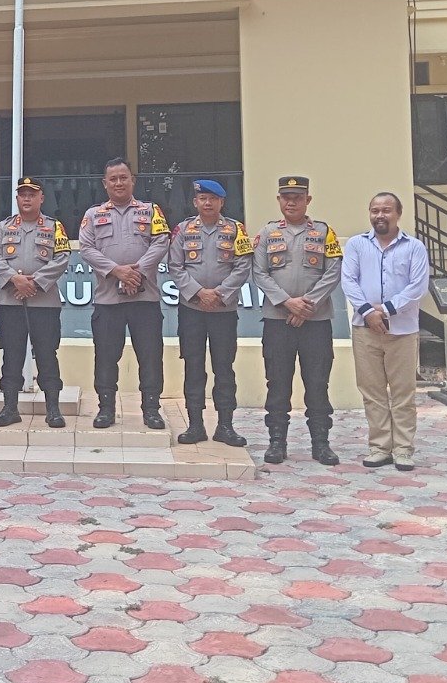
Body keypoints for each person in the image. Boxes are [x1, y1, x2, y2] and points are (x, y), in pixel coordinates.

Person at [251, 176, 343, 465]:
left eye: (298, 197)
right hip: (277, 321)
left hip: (316, 322)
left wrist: (307, 305)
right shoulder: (267, 233)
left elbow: (333, 271)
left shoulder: (324, 232)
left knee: (317, 382)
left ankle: (321, 443)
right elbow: (259, 272)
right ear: (279, 200)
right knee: (277, 382)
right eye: (286, 197)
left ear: (308, 200)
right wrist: (287, 302)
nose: (291, 202)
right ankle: (277, 442)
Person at [341, 191, 431, 472]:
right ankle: (379, 447)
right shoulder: (356, 245)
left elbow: (417, 287)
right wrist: (368, 312)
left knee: (403, 393)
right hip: (365, 329)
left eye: (386, 210)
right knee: (372, 392)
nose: (380, 215)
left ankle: (403, 449)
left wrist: (387, 309)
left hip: (402, 330)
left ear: (398, 214)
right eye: (375, 210)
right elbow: (348, 281)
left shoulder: (414, 247)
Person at [79, 158, 171, 430]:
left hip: (145, 299)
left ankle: (151, 410)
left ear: (133, 180)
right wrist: (117, 271)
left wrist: (136, 272)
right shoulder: (93, 215)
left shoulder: (151, 210)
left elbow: (161, 241)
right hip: (109, 300)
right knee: (106, 357)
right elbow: (86, 248)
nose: (118, 183)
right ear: (104, 183)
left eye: (123, 177)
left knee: (150, 356)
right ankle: (106, 409)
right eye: (113, 179)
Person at [169, 179, 255, 447]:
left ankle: (225, 426)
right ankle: (195, 425)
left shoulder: (236, 230)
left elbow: (243, 266)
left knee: (224, 368)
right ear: (195, 202)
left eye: (213, 199)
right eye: (202, 199)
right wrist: (198, 293)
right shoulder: (183, 230)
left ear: (221, 202)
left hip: (223, 310)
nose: (207, 203)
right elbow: (175, 266)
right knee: (193, 367)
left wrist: (219, 294)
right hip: (192, 311)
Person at [0, 176, 71, 428]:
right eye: (22, 194)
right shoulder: (4, 227)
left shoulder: (54, 227)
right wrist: (15, 280)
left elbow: (62, 257)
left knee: (47, 354)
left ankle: (53, 409)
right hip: (10, 301)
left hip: (44, 302)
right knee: (11, 355)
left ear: (41, 198)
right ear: (16, 198)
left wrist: (34, 283)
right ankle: (10, 408)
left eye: (32, 194)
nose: (27, 198)